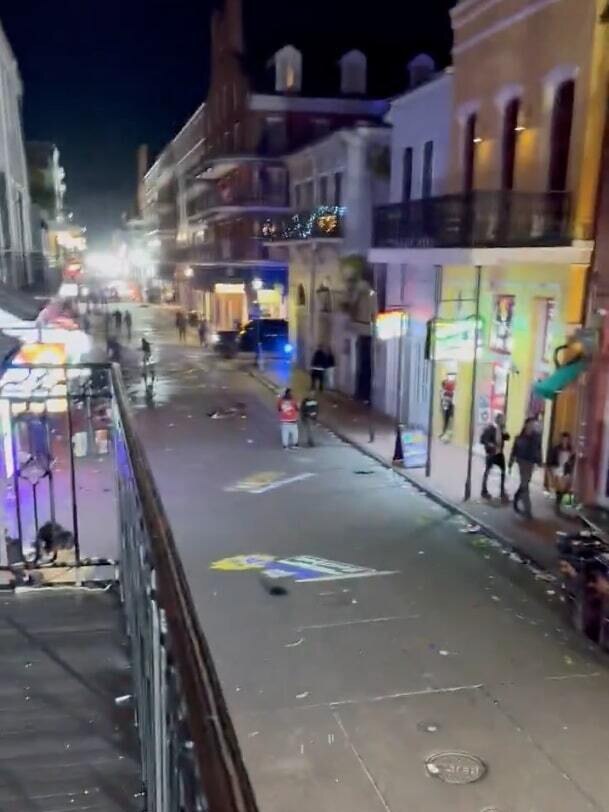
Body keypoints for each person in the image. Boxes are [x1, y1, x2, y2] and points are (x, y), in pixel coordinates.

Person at [509, 417, 542, 519]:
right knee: (525, 484)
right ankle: (528, 510)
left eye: (533, 425)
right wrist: (510, 462)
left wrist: (539, 460)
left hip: (531, 462)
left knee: (525, 483)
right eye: (530, 424)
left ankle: (516, 497)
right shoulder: (519, 438)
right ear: (526, 425)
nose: (532, 426)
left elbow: (538, 449)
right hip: (522, 462)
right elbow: (514, 450)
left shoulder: (536, 437)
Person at [480, 413, 510, 500]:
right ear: (498, 420)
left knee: (503, 472)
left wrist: (504, 431)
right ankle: (484, 491)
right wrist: (489, 444)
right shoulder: (490, 428)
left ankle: (502, 491)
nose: (504, 421)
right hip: (491, 454)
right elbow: (483, 439)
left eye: (504, 420)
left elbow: (508, 438)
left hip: (499, 454)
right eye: (502, 420)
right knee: (487, 472)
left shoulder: (501, 429)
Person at [547, 432, 576, 514]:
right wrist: (551, 469)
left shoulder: (571, 450)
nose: (565, 441)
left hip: (566, 470)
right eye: (563, 439)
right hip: (558, 469)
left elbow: (572, 461)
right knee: (560, 488)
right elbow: (551, 460)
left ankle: (563, 504)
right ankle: (558, 505)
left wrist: (571, 461)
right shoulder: (556, 449)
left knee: (566, 488)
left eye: (566, 439)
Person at [439, 376, 455, 441]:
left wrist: (445, 408)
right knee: (447, 422)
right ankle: (444, 434)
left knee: (447, 422)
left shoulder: (446, 392)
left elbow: (445, 401)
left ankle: (445, 434)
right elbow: (446, 401)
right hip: (448, 408)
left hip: (447, 408)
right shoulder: (448, 392)